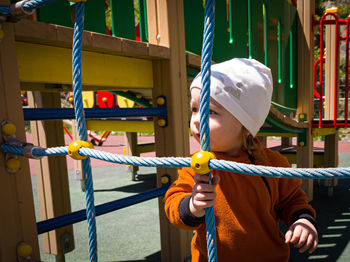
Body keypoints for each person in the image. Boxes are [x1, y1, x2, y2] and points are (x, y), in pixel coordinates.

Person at [164, 58, 318, 262]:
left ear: (245, 123)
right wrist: (193, 205)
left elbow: (292, 199)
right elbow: (173, 202)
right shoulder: (197, 166)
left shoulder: (270, 163)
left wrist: (302, 220)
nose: (196, 120)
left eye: (210, 111)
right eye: (194, 109)